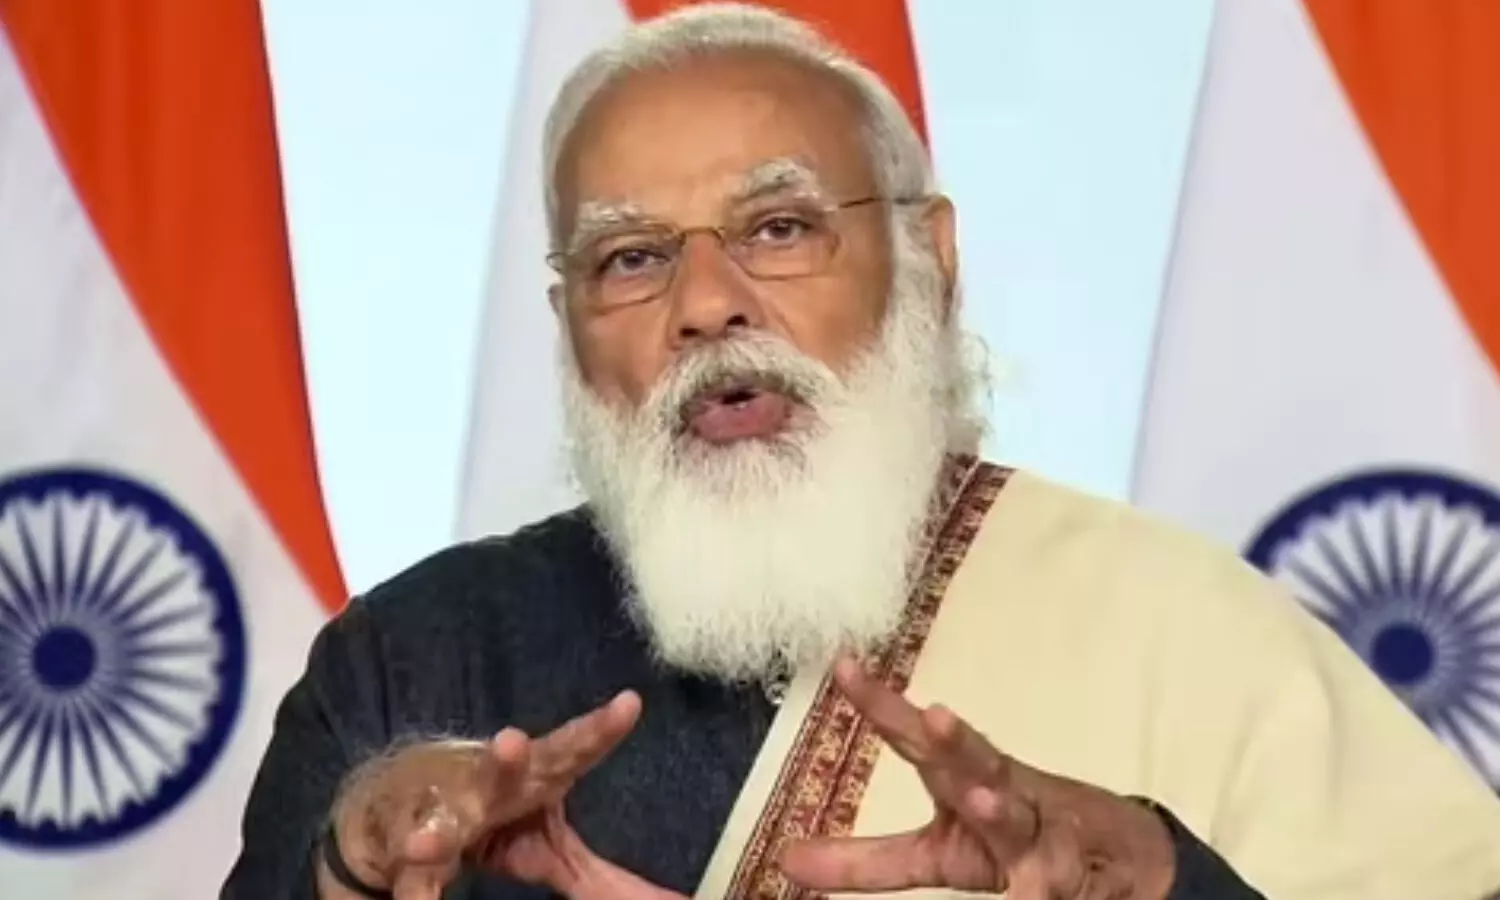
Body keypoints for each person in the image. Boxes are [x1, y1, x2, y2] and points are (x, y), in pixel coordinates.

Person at [221, 5, 1500, 899]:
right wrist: (346, 877)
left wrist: (1160, 879)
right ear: (568, 325)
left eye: (779, 229)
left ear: (929, 262)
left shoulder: (1185, 638)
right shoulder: (410, 665)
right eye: (631, 257)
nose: (705, 304)